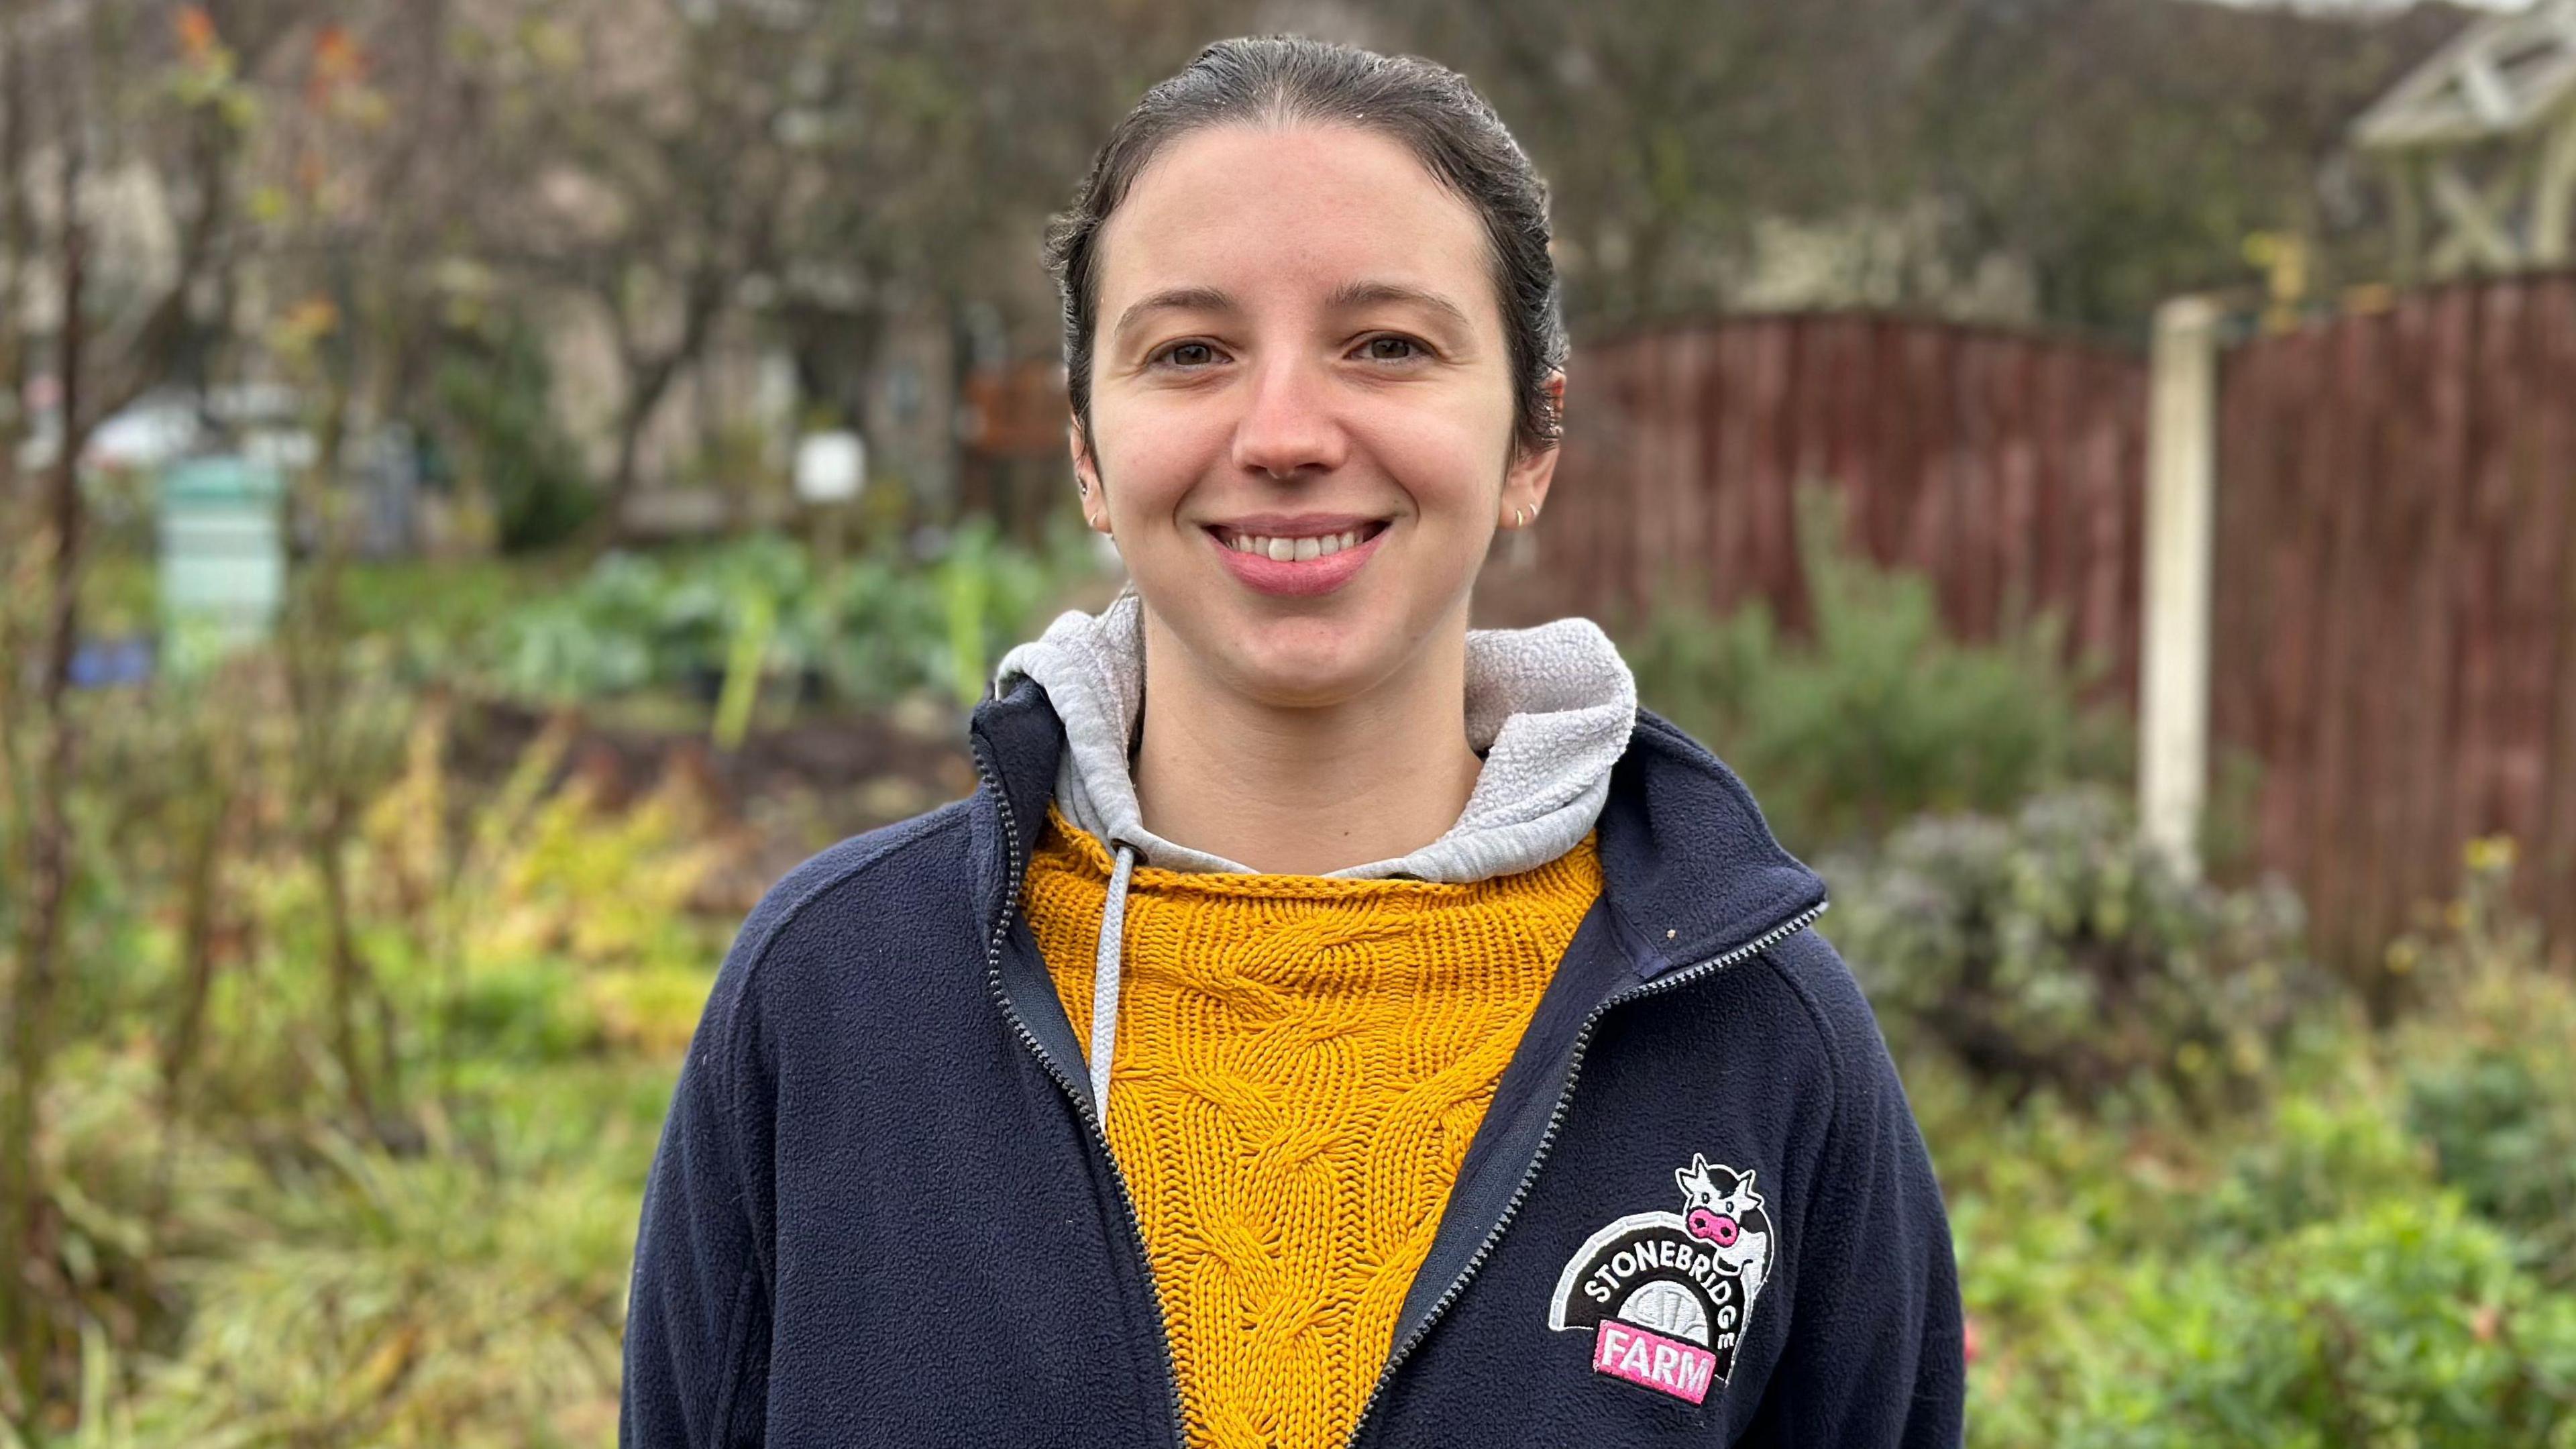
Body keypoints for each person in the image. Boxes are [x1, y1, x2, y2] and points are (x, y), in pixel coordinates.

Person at [621, 35, 1962, 1448]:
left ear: (1533, 442)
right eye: (1190, 352)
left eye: (1388, 345)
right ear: (1086, 448)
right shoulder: (831, 998)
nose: (1284, 433)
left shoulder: (1760, 1034)